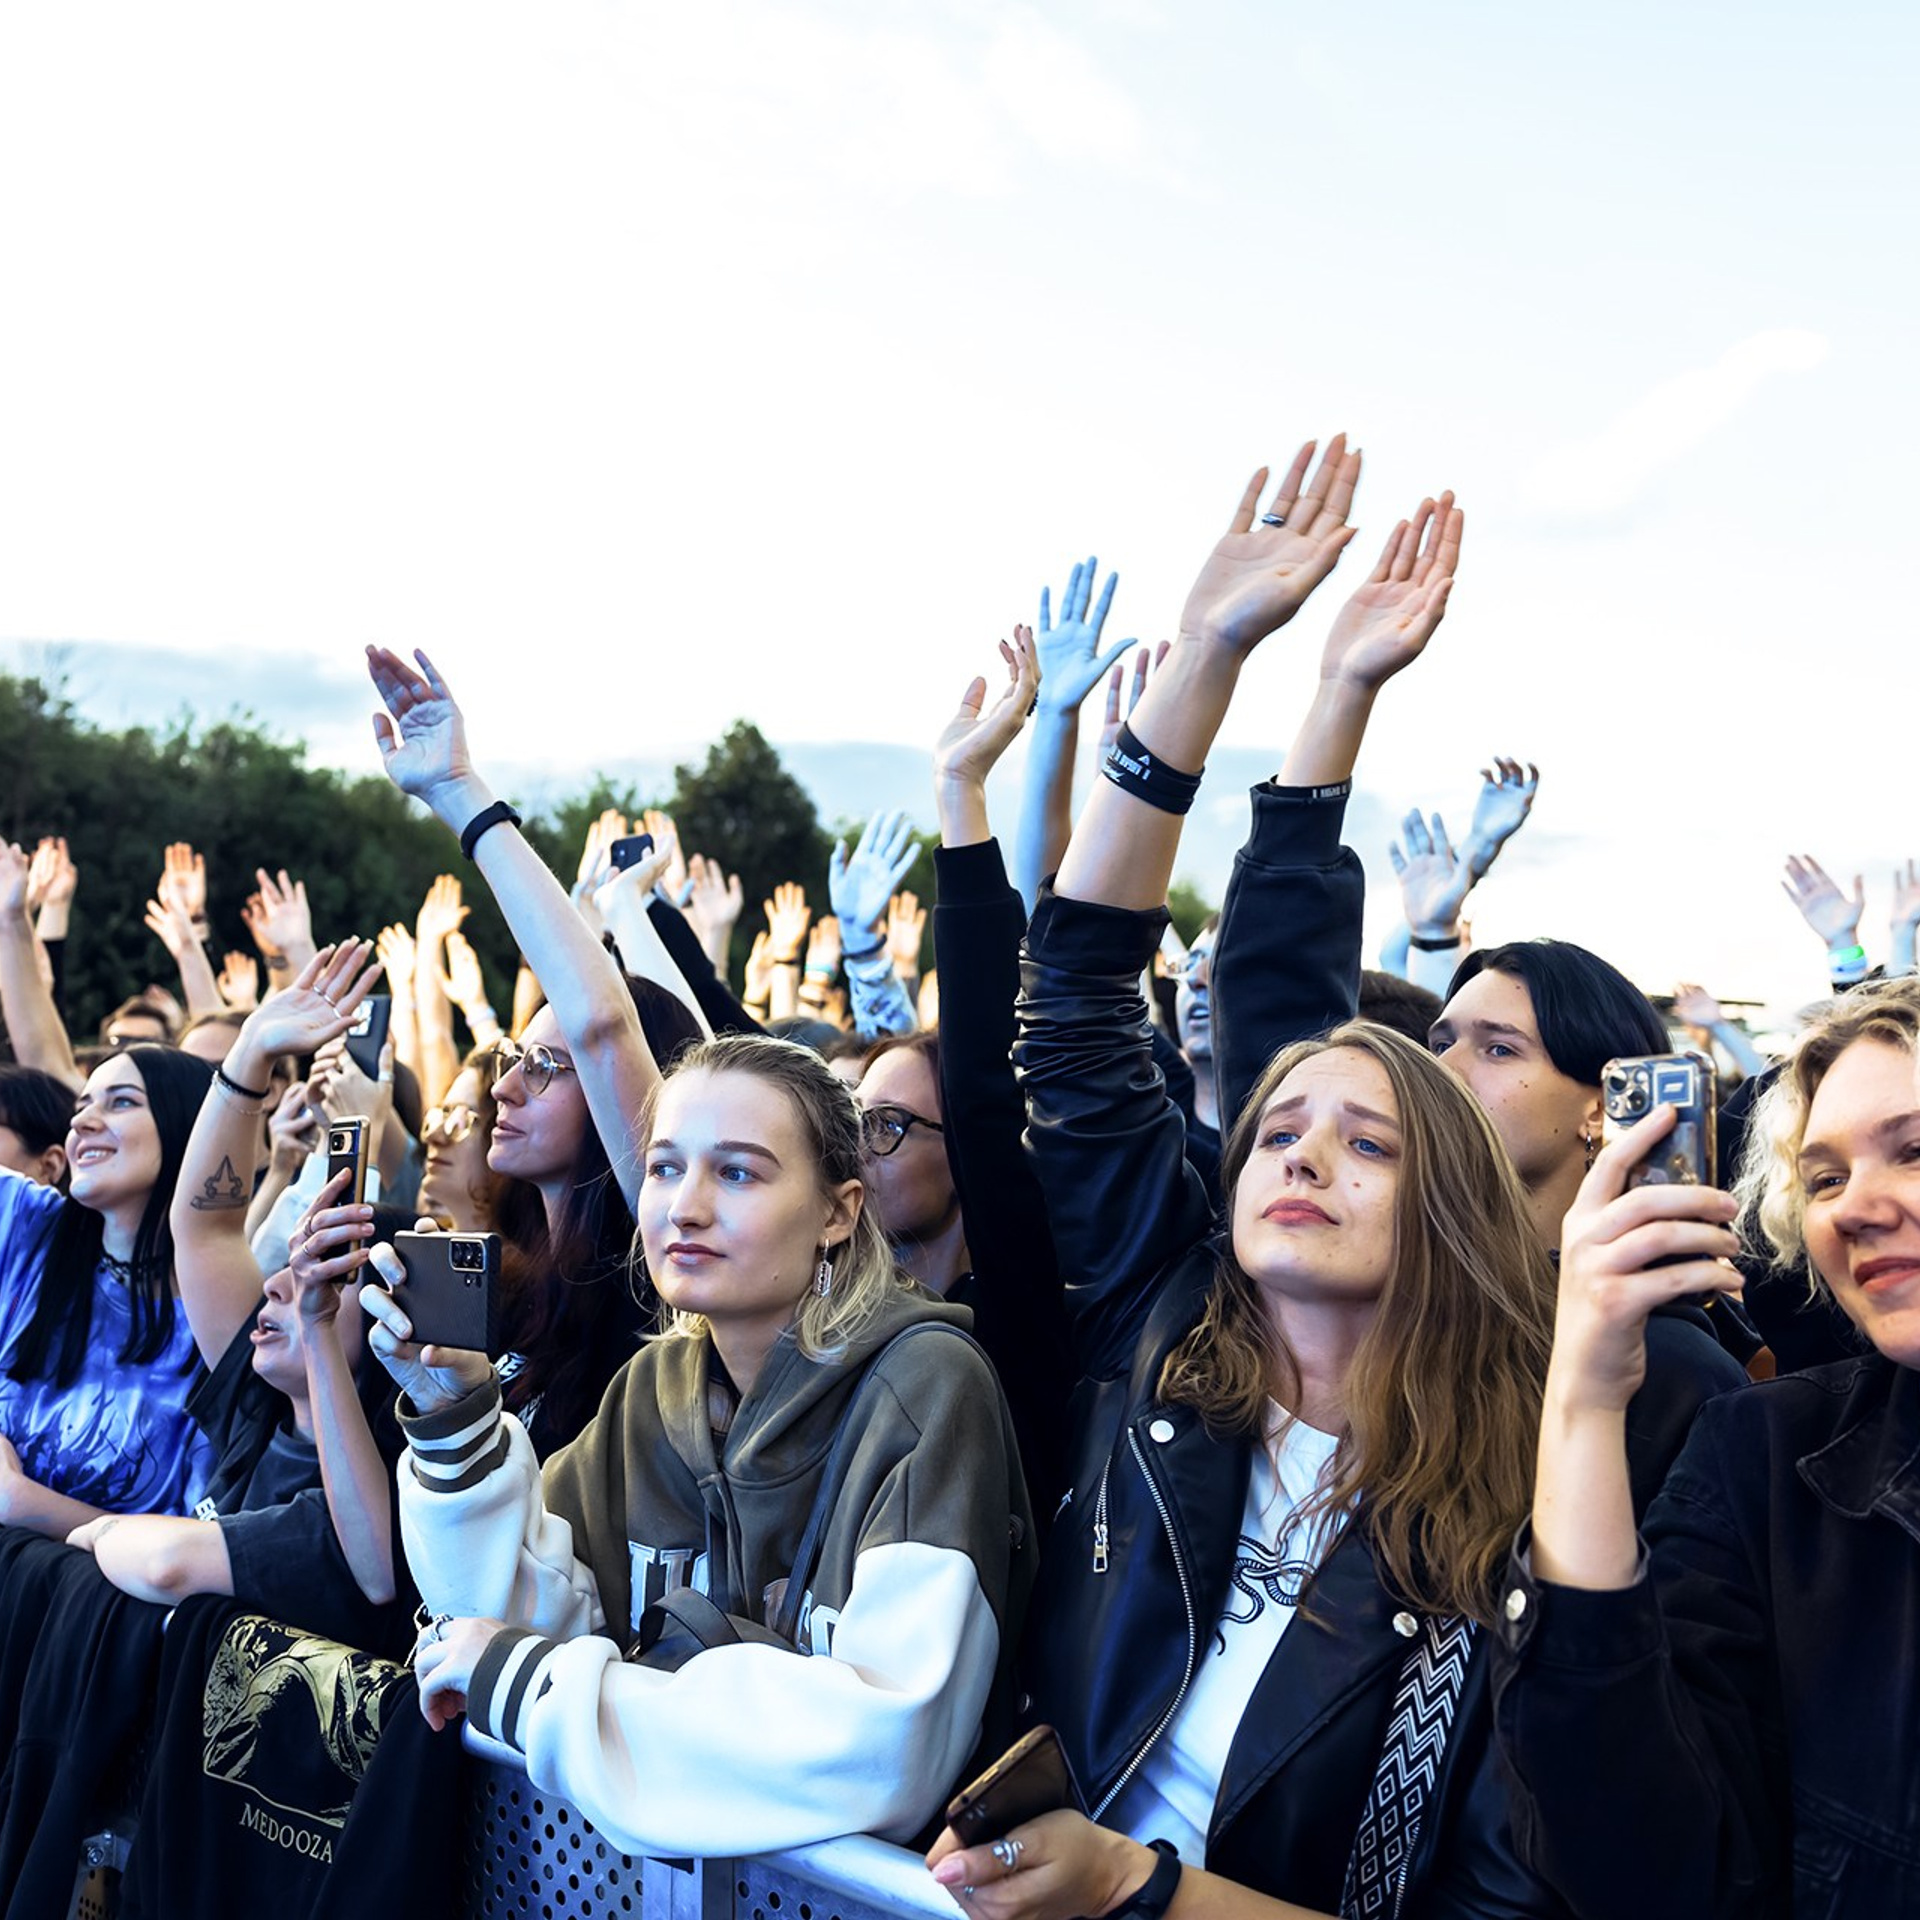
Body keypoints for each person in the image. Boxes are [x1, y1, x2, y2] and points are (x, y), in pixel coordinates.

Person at [936, 449, 1574, 1919]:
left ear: (1454, 1214)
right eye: (1281, 1132)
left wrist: (1143, 1896)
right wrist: (1213, 662)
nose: (1300, 1154)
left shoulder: (1526, 1499)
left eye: (1369, 1145)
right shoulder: (1155, 1330)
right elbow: (1078, 994)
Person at [366, 1031, 1034, 1858]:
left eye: (739, 1171)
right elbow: (511, 1622)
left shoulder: (931, 1386)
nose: (685, 1206)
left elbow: (887, 1751)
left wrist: (540, 1686)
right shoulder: (653, 1387)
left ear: (838, 1210)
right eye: (665, 1167)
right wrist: (458, 1417)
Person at [1494, 975, 1920, 1917]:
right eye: (1824, 1178)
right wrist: (1584, 1396)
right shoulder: (1765, 1457)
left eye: (1915, 1151)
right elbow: (1638, 1862)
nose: (1853, 1207)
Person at [0, 1043, 218, 1531]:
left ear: (189, 1127)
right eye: (82, 1105)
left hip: (84, 1601)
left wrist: (20, 1502)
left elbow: (195, 1541)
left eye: (121, 1102)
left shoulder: (225, 1326)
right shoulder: (25, 1225)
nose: (83, 1122)